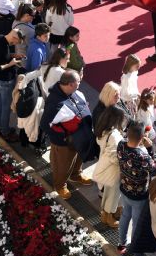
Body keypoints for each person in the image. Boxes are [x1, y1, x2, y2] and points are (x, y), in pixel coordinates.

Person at [40, 70, 93, 199]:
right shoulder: (54, 103)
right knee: (63, 166)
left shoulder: (75, 92)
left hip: (81, 137)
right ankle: (60, 185)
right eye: (78, 82)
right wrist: (64, 137)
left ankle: (76, 175)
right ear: (70, 84)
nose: (80, 84)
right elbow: (45, 125)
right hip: (65, 143)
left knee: (78, 159)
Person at [117, 120, 156, 256]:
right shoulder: (143, 157)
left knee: (125, 216)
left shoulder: (121, 145)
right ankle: (136, 253)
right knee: (137, 223)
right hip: (139, 195)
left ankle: (121, 242)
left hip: (124, 189)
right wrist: (150, 149)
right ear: (142, 138)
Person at [93, 104, 126, 229]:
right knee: (113, 195)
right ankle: (109, 218)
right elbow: (114, 154)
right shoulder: (114, 135)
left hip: (105, 165)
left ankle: (105, 215)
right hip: (114, 169)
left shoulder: (103, 130)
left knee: (107, 193)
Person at [0, 27, 24, 141]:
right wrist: (11, 64)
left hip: (1, 80)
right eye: (17, 41)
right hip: (5, 80)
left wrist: (13, 55)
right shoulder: (0, 45)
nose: (17, 44)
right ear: (14, 37)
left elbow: (3, 56)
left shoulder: (0, 38)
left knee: (1, 102)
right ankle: (5, 132)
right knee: (6, 107)